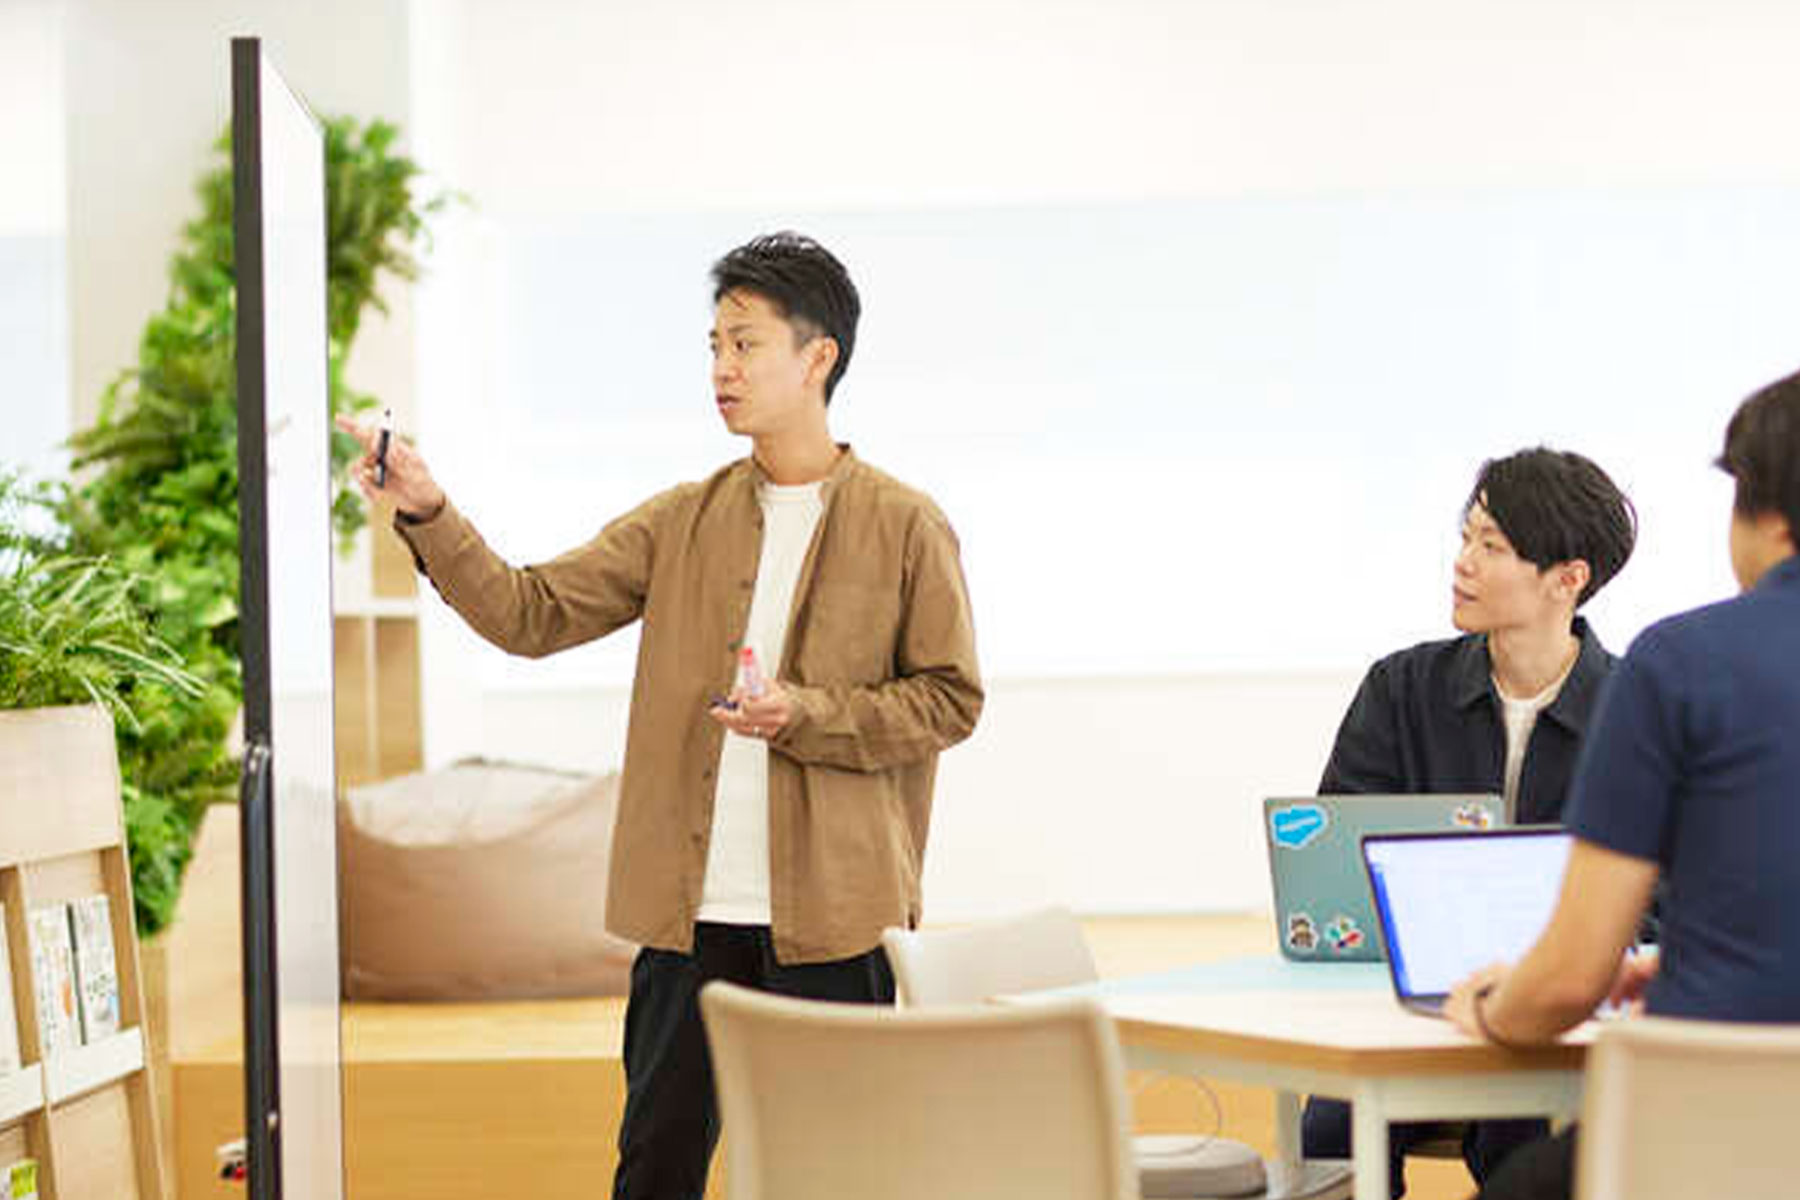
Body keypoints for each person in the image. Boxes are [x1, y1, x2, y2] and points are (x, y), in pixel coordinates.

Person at [338, 232, 984, 1200]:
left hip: (836, 926)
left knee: (834, 1177)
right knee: (654, 1173)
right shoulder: (681, 519)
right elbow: (528, 613)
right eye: (714, 346)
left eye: (745, 345)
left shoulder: (905, 524)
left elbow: (950, 697)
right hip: (689, 927)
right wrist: (428, 509)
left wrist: (804, 713)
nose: (722, 369)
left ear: (819, 357)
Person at [1445, 371, 1800, 1200]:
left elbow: (1573, 976)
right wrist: (1692, 957)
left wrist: (1493, 1008)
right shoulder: (1402, 686)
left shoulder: (1682, 664)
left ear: (1770, 514)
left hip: (1714, 1130)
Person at [1301, 448, 1638, 1197]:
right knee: (1329, 1128)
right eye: (1465, 537)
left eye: (1493, 546)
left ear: (1568, 578)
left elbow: (1657, 895)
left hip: (1557, 1015)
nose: (1463, 563)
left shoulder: (1632, 708)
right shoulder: (1400, 687)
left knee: (1520, 1137)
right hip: (1413, 1011)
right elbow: (1338, 858)